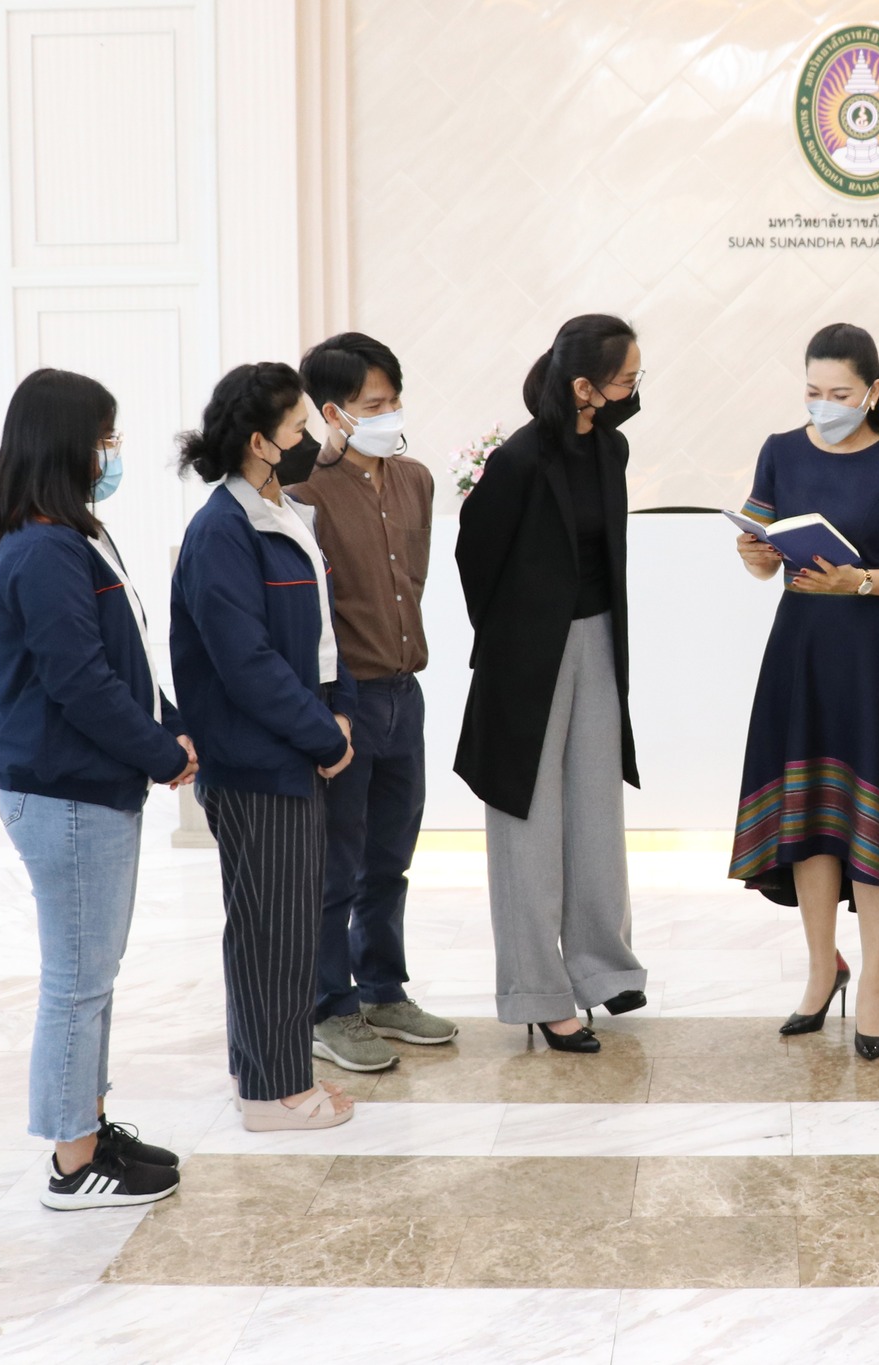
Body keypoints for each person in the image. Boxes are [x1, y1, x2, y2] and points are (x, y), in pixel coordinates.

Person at [0, 368, 195, 1208]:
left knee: (93, 970)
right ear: (64, 442)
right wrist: (160, 752)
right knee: (76, 978)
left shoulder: (72, 537)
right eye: (103, 438)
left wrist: (168, 728)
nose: (112, 453)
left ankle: (90, 1124)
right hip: (66, 792)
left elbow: (123, 657)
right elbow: (79, 680)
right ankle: (73, 1162)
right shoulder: (42, 549)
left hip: (90, 786)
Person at [730, 322, 879, 1060]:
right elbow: (765, 563)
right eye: (813, 391)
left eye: (839, 393)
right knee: (811, 816)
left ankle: (877, 981)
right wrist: (753, 551)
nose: (823, 405)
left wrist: (858, 581)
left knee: (872, 817)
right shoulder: (780, 451)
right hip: (800, 652)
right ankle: (821, 969)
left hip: (874, 656)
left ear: (873, 392)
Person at [171, 362, 358, 1129]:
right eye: (298, 427)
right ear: (259, 441)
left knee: (279, 921)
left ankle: (265, 1071)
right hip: (258, 757)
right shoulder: (222, 530)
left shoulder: (283, 512)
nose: (312, 438)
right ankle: (273, 1093)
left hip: (295, 745)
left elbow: (321, 635)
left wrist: (339, 715)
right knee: (271, 928)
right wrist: (320, 734)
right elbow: (244, 661)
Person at [454, 313, 648, 1052]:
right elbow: (476, 558)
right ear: (584, 386)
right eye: (626, 379)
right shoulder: (519, 459)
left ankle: (604, 967)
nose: (634, 390)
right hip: (525, 657)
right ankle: (538, 991)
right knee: (528, 826)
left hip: (597, 639)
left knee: (597, 811)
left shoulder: (611, 448)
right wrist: (517, 638)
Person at [289, 332, 457, 1073]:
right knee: (338, 864)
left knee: (391, 858)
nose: (389, 415)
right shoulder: (304, 492)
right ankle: (331, 1007)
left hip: (403, 692)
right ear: (333, 412)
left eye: (394, 401)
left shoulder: (416, 479)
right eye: (373, 405)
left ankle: (384, 988)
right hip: (345, 699)